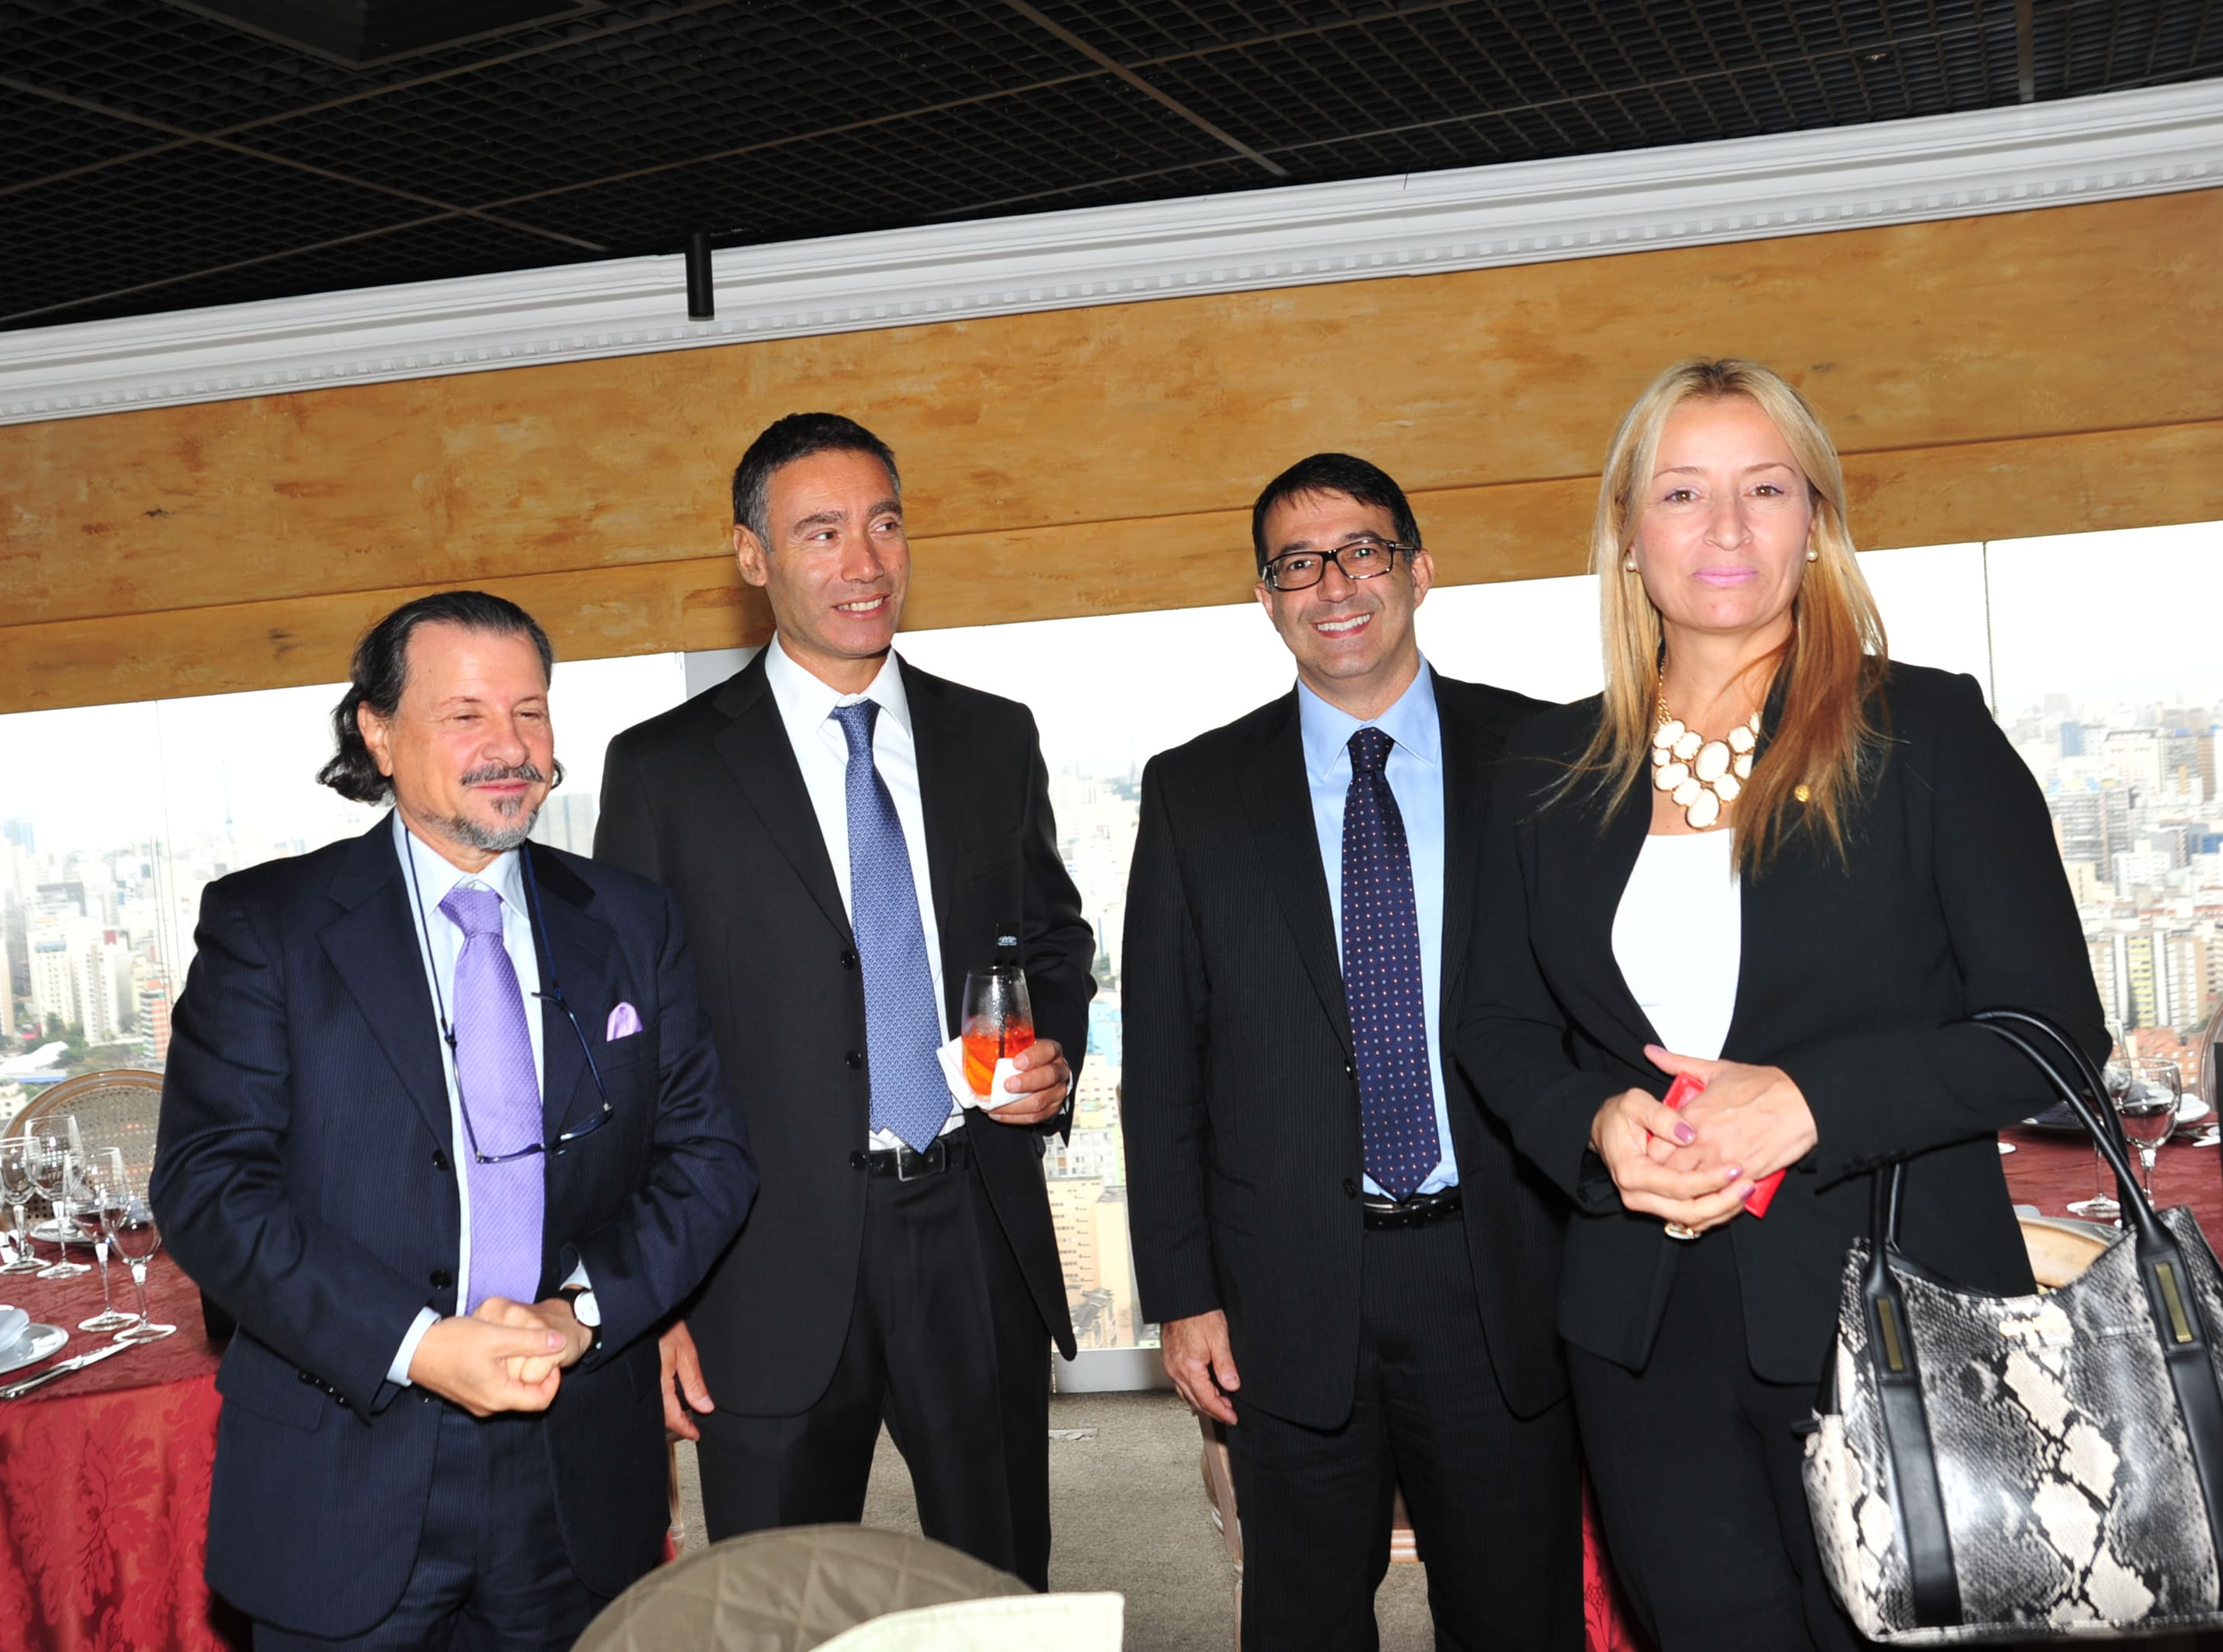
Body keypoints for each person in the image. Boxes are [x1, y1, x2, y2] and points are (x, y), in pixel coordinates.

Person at [1458, 359, 2108, 1652]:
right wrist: (1597, 1124)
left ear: (1814, 522)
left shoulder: (1924, 729)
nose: (1725, 527)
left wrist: (1811, 1103)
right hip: (1641, 1335)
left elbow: (2051, 1037)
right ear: (1626, 535)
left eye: (1764, 489)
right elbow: (1499, 1027)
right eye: (1681, 492)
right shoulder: (1545, 766)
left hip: (1898, 1314)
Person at [153, 591, 757, 1650]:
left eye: (530, 712)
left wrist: (583, 1314)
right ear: (379, 734)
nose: (509, 747)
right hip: (345, 1469)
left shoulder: (631, 920)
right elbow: (209, 1191)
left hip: (577, 1473)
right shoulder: (267, 926)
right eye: (466, 715)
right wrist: (419, 1346)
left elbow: (708, 1160)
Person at [592, 411, 1094, 1590]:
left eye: (884, 524)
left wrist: (1053, 1055)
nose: (865, 562)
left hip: (973, 1225)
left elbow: (1053, 936)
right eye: (822, 532)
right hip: (761, 1261)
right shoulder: (664, 769)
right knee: (778, 1602)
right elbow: (628, 1049)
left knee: (999, 1593)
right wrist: (650, 1296)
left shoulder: (992, 737)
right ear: (752, 555)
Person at [1121, 452, 1581, 1650]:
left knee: (1517, 1616)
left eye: (1362, 550)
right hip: (1286, 1290)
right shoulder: (1194, 793)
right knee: (1305, 1622)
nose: (1333, 584)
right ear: (1265, 598)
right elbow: (1162, 1070)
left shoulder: (1547, 756)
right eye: (1297, 564)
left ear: (1419, 571)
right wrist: (1184, 1295)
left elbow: (1597, 1019)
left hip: (1500, 1272)